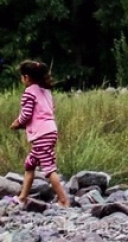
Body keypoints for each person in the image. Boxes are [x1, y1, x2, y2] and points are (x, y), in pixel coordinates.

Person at [10, 60, 68, 208]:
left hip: (41, 134)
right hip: (50, 130)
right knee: (30, 164)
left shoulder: (29, 92)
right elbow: (48, 110)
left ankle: (63, 200)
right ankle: (22, 197)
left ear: (26, 78)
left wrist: (18, 123)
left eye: (21, 77)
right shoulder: (46, 91)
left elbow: (27, 114)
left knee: (48, 169)